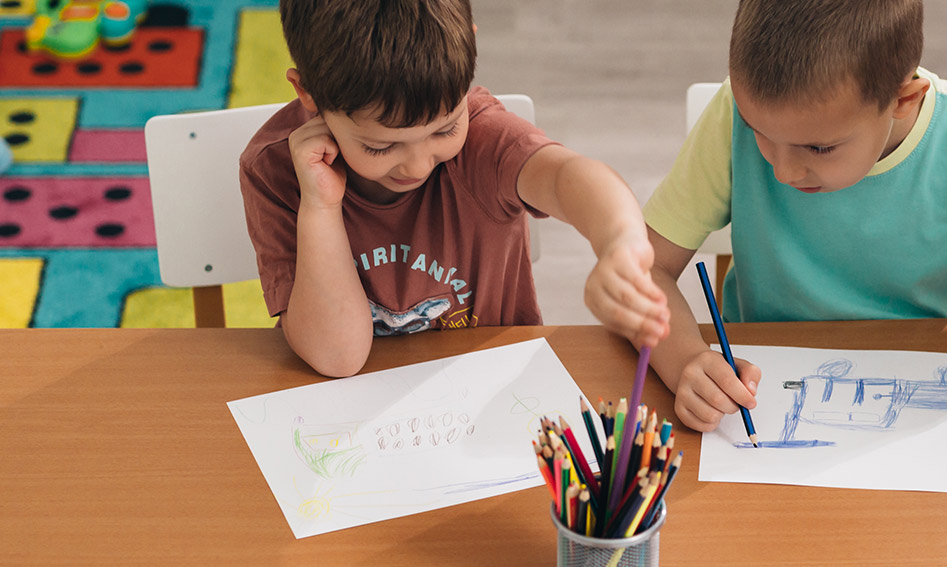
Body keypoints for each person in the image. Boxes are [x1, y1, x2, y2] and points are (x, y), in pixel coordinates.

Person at [642, 0, 947, 506]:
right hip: (769, 414)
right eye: (760, 133)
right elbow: (645, 268)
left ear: (903, 98)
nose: (782, 172)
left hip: (936, 436)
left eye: (819, 148)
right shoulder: (731, 115)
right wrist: (684, 360)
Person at [241, 0, 669, 377]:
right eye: (380, 146)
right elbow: (339, 358)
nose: (417, 164)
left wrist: (621, 241)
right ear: (308, 94)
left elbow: (566, 177)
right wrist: (321, 207)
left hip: (494, 400)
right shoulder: (278, 171)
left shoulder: (484, 141)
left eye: (445, 129)